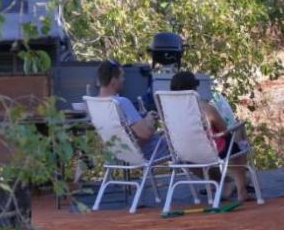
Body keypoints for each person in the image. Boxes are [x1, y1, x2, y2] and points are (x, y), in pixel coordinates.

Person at [169, 71, 251, 202]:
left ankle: (225, 184)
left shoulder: (170, 112)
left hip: (185, 154)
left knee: (227, 144)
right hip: (211, 152)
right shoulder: (205, 108)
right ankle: (242, 191)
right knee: (237, 136)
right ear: (194, 88)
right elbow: (224, 129)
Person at [96, 60, 168, 161]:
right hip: (148, 152)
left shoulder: (95, 104)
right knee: (181, 144)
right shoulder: (121, 102)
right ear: (113, 81)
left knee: (166, 135)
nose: (123, 80)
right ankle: (197, 175)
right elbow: (145, 134)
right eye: (122, 77)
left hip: (116, 153)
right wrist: (149, 120)